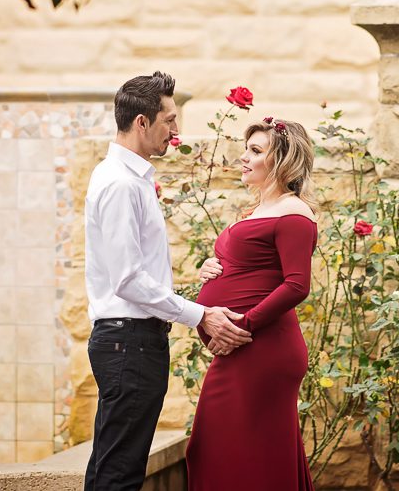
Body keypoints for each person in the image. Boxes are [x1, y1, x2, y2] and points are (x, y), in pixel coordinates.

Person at [84, 71, 252, 491]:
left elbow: (139, 271)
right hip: (129, 343)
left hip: (132, 341)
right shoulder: (121, 183)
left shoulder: (130, 179)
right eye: (170, 120)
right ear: (142, 122)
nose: (176, 131)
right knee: (119, 474)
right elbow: (127, 280)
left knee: (113, 468)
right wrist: (201, 315)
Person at [186, 116, 319, 491]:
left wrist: (241, 326)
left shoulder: (294, 213)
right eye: (247, 149)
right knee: (221, 450)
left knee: (247, 457)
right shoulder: (259, 210)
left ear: (282, 160)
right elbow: (248, 265)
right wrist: (210, 267)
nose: (243, 157)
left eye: (255, 151)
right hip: (243, 349)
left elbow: (296, 285)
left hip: (261, 348)